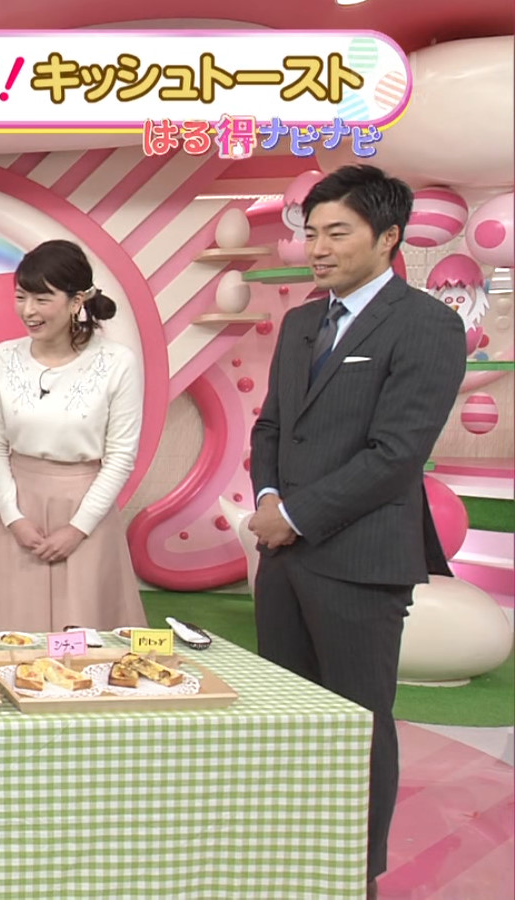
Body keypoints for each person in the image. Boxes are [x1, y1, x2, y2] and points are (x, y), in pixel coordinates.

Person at [248, 165, 465, 895]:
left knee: (358, 725)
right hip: (283, 559)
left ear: (389, 236)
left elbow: (396, 454)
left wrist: (294, 517)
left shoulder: (426, 323)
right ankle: (290, 865)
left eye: (337, 233)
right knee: (288, 722)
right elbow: (273, 427)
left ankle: (352, 876)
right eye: (311, 233)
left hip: (361, 562)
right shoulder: (301, 323)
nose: (318, 248)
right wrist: (270, 497)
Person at [0, 240, 146, 633]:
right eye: (21, 297)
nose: (28, 310)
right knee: (9, 638)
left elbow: (120, 457)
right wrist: (13, 517)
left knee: (84, 643)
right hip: (15, 513)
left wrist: (78, 528)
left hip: (86, 515)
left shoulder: (117, 363)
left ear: (76, 301)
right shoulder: (3, 358)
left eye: (42, 299)